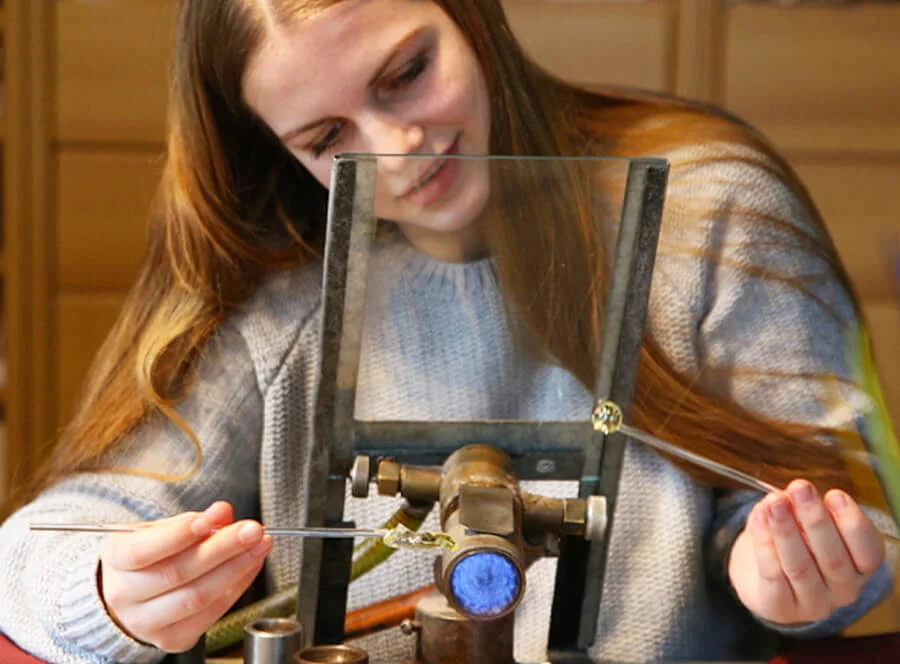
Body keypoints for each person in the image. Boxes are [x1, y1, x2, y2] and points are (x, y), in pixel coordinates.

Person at [0, 0, 896, 662]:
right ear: (280, 152)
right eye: (328, 136)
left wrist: (788, 576)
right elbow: (39, 550)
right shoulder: (278, 296)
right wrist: (111, 594)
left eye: (406, 73)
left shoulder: (712, 212)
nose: (398, 147)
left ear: (472, 17)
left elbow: (857, 524)